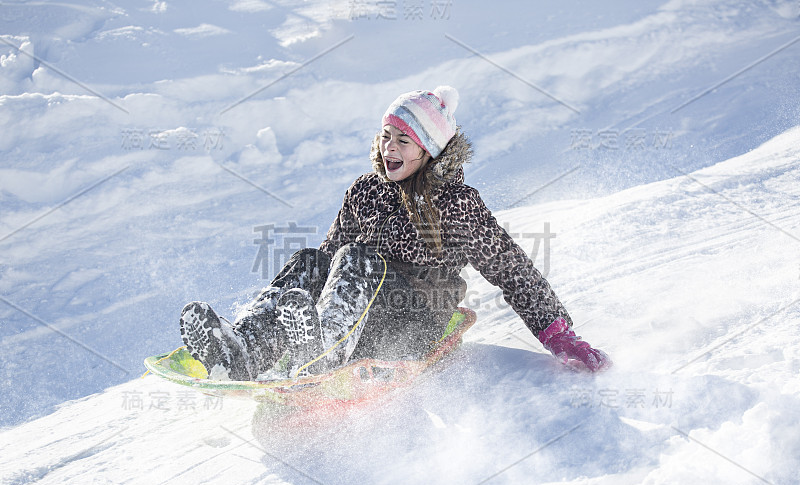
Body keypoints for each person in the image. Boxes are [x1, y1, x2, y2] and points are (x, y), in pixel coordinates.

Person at [179, 86, 611, 381]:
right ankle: (247, 348)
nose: (390, 149)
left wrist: (558, 334)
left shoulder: (455, 203)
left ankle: (327, 348)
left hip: (416, 321)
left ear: (429, 150)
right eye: (386, 137)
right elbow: (328, 263)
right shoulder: (365, 192)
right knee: (313, 259)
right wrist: (298, 302)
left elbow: (511, 268)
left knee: (356, 258)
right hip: (357, 318)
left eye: (403, 142)